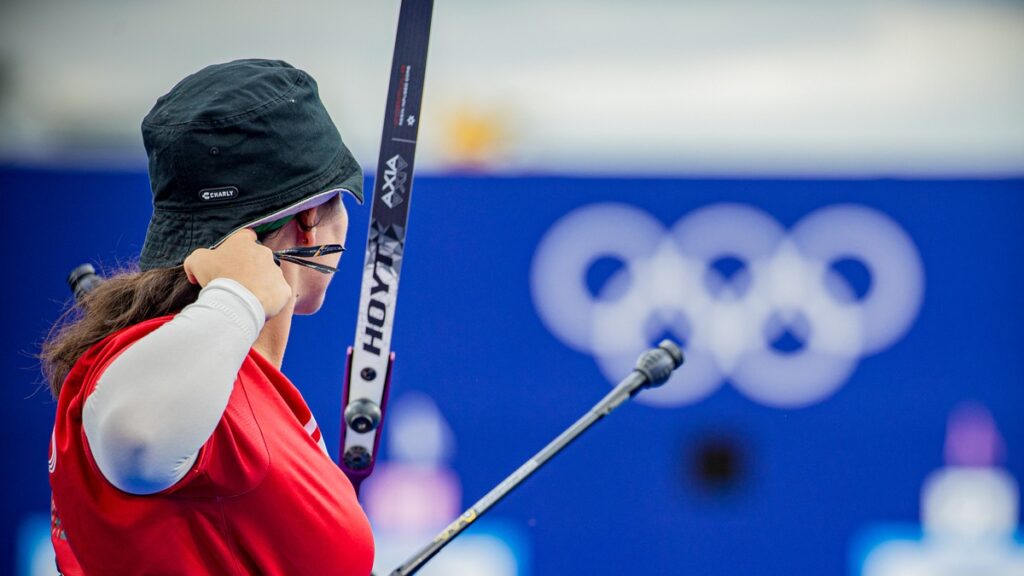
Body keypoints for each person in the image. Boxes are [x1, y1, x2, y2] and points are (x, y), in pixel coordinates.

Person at [41, 59, 374, 575]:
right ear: (311, 220)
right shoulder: (182, 384)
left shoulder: (207, 377)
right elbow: (137, 441)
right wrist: (239, 295)